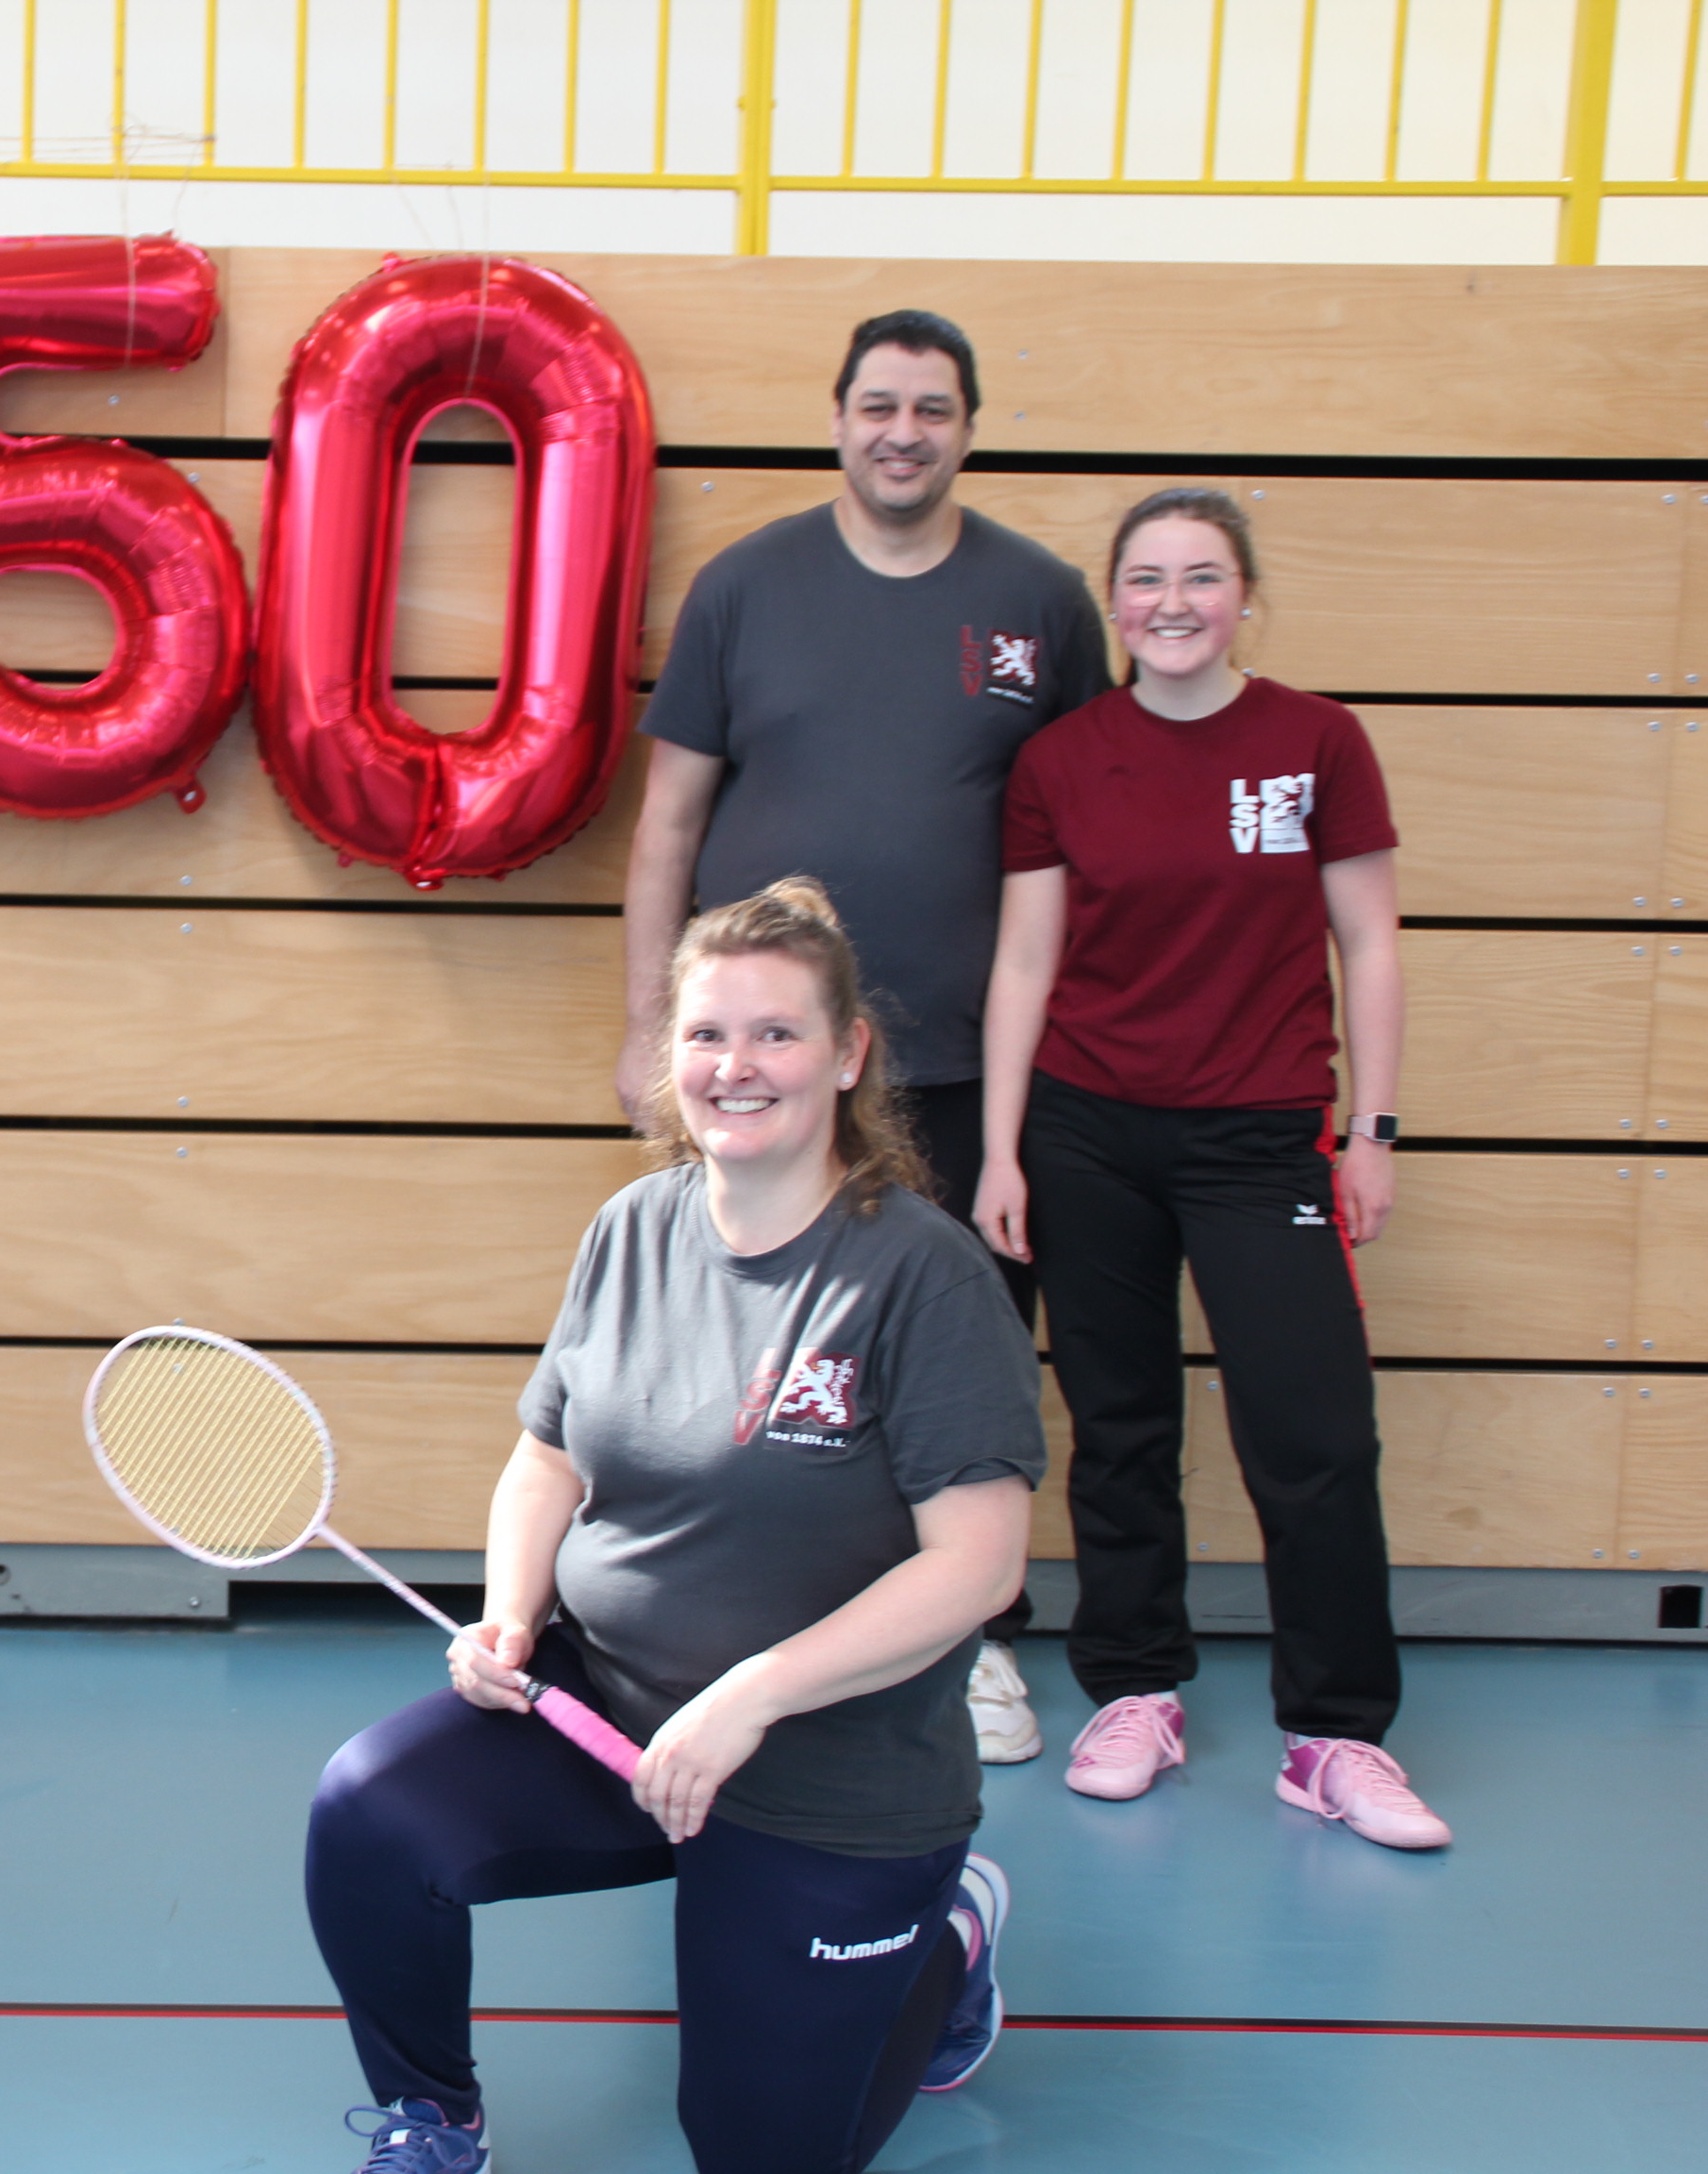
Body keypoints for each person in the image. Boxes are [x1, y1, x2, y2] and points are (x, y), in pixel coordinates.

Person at [310, 880, 1045, 2174]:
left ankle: (945, 1941)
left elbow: (977, 1566)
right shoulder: (630, 1227)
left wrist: (754, 1693)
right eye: (706, 1035)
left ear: (849, 1053)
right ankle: (434, 2117)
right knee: (370, 1812)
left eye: (777, 1034)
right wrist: (510, 1616)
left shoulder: (922, 1277)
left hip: (832, 1776)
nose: (737, 1066)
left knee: (758, 2154)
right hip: (610, 1716)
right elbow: (545, 1461)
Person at [624, 309, 1110, 1767]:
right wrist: (653, 1027)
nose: (905, 432)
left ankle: (970, 1650)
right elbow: (664, 833)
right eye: (880, 405)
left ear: (968, 428)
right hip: (760, 1068)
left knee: (961, 1365)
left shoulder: (1040, 603)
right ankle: (745, 1635)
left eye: (935, 409)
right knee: (758, 1365)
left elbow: (1084, 835)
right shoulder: (743, 589)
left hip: (963, 1065)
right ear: (838, 416)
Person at [972, 489, 1445, 1850]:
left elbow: (1372, 945)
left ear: (1246, 598)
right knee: (1120, 1431)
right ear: (1112, 604)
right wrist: (1003, 1147)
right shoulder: (1063, 758)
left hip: (1261, 1137)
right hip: (1086, 1131)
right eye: (1143, 579)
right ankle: (1135, 1692)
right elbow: (1025, 960)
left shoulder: (1316, 741)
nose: (1170, 602)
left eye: (1201, 577)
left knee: (1312, 1438)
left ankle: (1338, 1737)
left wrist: (1373, 1131)